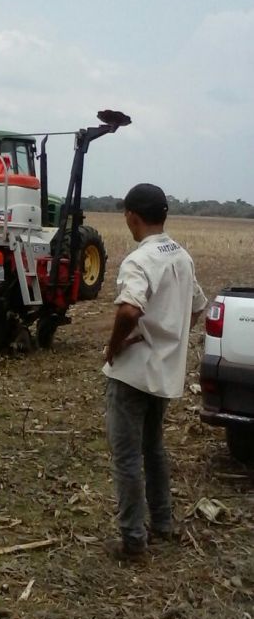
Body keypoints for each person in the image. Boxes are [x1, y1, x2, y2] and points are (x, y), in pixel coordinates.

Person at [103, 183, 207, 561]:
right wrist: (172, 338)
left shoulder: (139, 259)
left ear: (132, 216)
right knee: (154, 448)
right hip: (163, 373)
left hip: (132, 374)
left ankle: (133, 540)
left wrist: (115, 346)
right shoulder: (180, 255)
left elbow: (129, 309)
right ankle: (162, 523)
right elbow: (197, 305)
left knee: (127, 456)